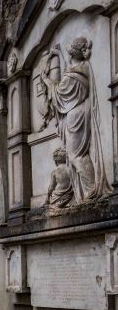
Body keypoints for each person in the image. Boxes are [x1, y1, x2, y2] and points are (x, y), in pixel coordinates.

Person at [41, 37, 112, 201]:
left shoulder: (74, 73)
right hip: (80, 111)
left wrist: (46, 81)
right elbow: (69, 68)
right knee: (77, 154)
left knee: (75, 156)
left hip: (75, 115)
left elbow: (59, 92)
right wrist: (58, 54)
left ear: (72, 53)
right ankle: (91, 192)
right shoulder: (81, 66)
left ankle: (92, 193)